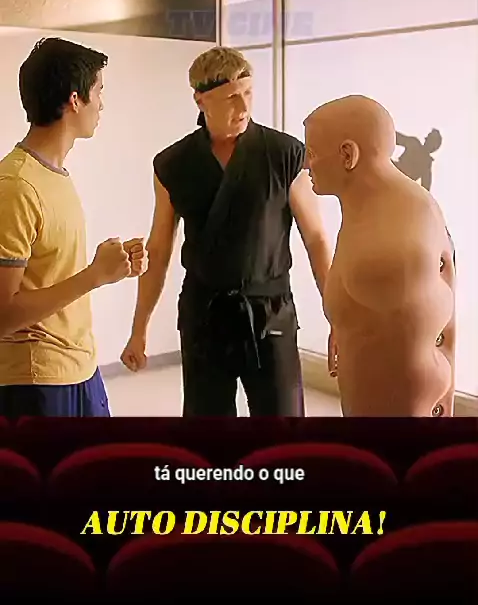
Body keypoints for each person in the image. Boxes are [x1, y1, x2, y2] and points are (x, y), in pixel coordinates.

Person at [121, 46, 332, 416]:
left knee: (283, 426)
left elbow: (316, 238)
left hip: (270, 314)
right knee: (208, 429)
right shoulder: (173, 163)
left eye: (248, 92)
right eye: (231, 97)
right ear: (200, 100)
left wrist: (337, 321)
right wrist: (139, 329)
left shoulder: (284, 153)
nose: (244, 106)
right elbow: (159, 249)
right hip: (204, 315)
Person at [0, 38, 148, 418]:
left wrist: (112, 267)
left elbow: (52, 272)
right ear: (75, 100)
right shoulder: (16, 186)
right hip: (36, 383)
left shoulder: (53, 175)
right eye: (98, 91)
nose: (102, 104)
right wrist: (95, 275)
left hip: (81, 370)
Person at [304, 94, 456, 417]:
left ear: (348, 155)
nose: (306, 164)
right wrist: (341, 323)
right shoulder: (366, 206)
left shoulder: (398, 231)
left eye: (313, 154)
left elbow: (412, 328)